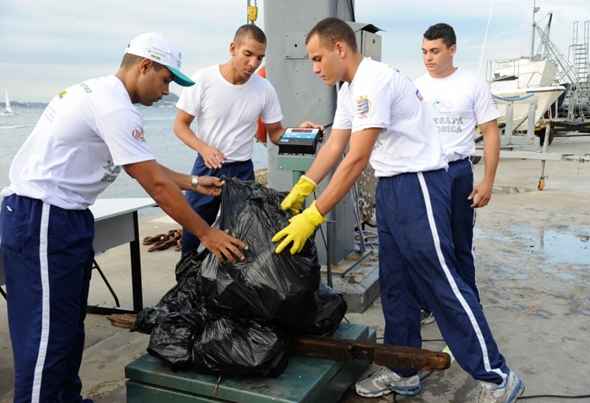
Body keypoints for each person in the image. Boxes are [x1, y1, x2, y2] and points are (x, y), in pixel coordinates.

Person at [271, 17, 524, 403]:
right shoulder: (350, 87)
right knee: (396, 284)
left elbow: (356, 159)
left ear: (340, 48)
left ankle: (498, 375)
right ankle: (404, 370)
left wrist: (315, 213)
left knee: (441, 280)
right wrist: (306, 185)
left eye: (318, 58)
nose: (315, 67)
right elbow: (336, 144)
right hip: (393, 186)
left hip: (418, 183)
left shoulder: (374, 80)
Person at [0, 32, 245, 403]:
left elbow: (147, 166)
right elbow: (156, 187)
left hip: (64, 217)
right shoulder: (114, 106)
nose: (167, 92)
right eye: (166, 80)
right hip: (43, 218)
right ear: (144, 65)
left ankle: (65, 397)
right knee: (45, 334)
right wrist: (206, 233)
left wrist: (194, 181)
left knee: (66, 327)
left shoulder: (103, 95)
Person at [174, 24, 285, 256]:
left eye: (260, 58)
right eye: (248, 54)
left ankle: (232, 287)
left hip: (242, 171)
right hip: (207, 167)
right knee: (193, 229)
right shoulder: (204, 80)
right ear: (233, 48)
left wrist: (300, 133)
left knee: (244, 233)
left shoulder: (265, 89)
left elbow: (276, 134)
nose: (254, 63)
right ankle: (185, 279)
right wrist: (204, 148)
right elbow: (180, 126)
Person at [415, 23, 501, 306]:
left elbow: (490, 131)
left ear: (452, 50)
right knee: (428, 244)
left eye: (435, 51)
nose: (428, 58)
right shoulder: (416, 86)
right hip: (424, 174)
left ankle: (468, 303)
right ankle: (430, 303)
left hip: (457, 173)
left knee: (460, 243)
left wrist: (487, 181)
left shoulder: (472, 84)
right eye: (425, 51)